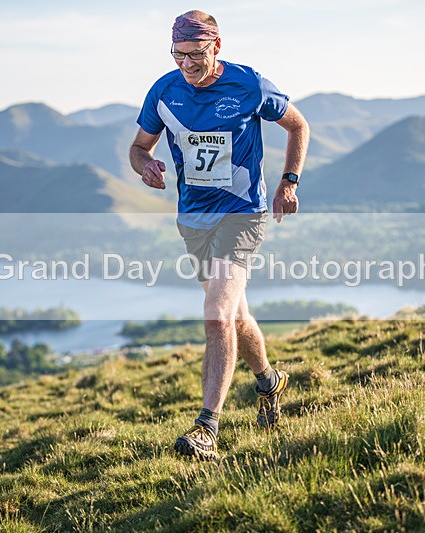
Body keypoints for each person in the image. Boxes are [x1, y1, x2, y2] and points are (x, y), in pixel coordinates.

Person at [129, 10, 309, 461]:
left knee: (215, 314)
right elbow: (138, 147)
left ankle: (206, 427)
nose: (186, 64)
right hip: (193, 220)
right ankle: (270, 381)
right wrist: (145, 165)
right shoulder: (164, 91)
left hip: (242, 215)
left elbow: (298, 126)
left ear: (217, 47)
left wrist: (289, 181)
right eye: (178, 55)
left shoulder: (249, 85)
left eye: (195, 54)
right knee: (235, 315)